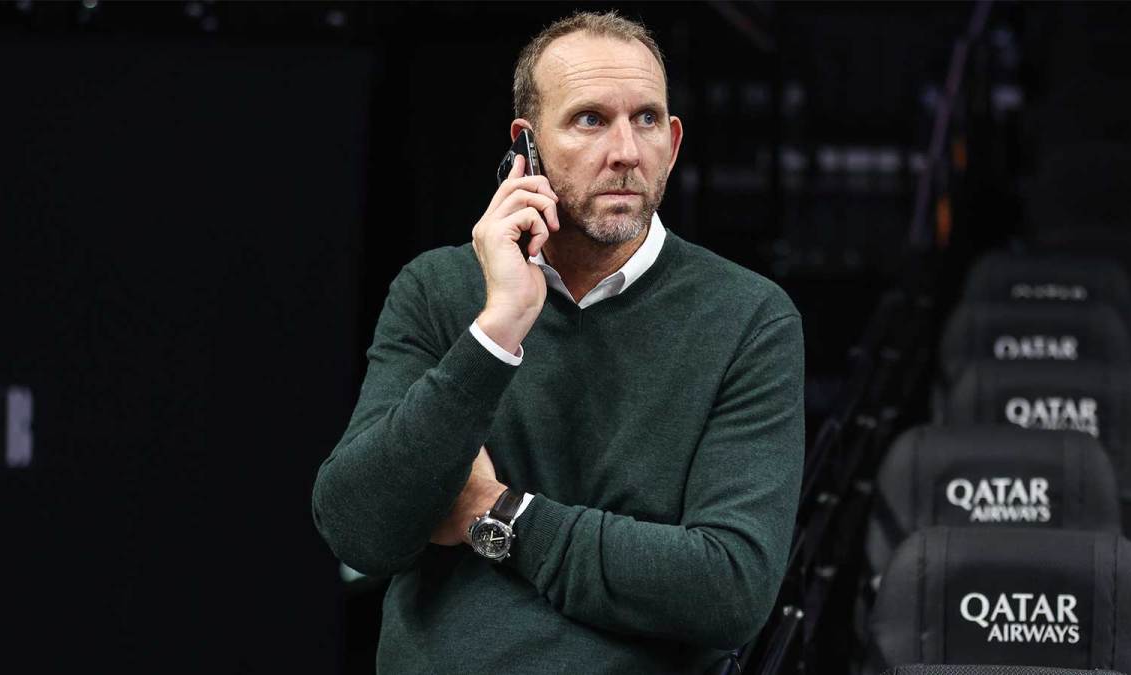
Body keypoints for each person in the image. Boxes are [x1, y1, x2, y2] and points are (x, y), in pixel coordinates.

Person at [311, 10, 804, 674]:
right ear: (528, 144)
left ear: (675, 141)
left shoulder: (748, 316)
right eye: (591, 120)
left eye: (648, 119)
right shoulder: (439, 290)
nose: (626, 151)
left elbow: (729, 586)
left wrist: (497, 511)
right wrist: (498, 330)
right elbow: (359, 529)